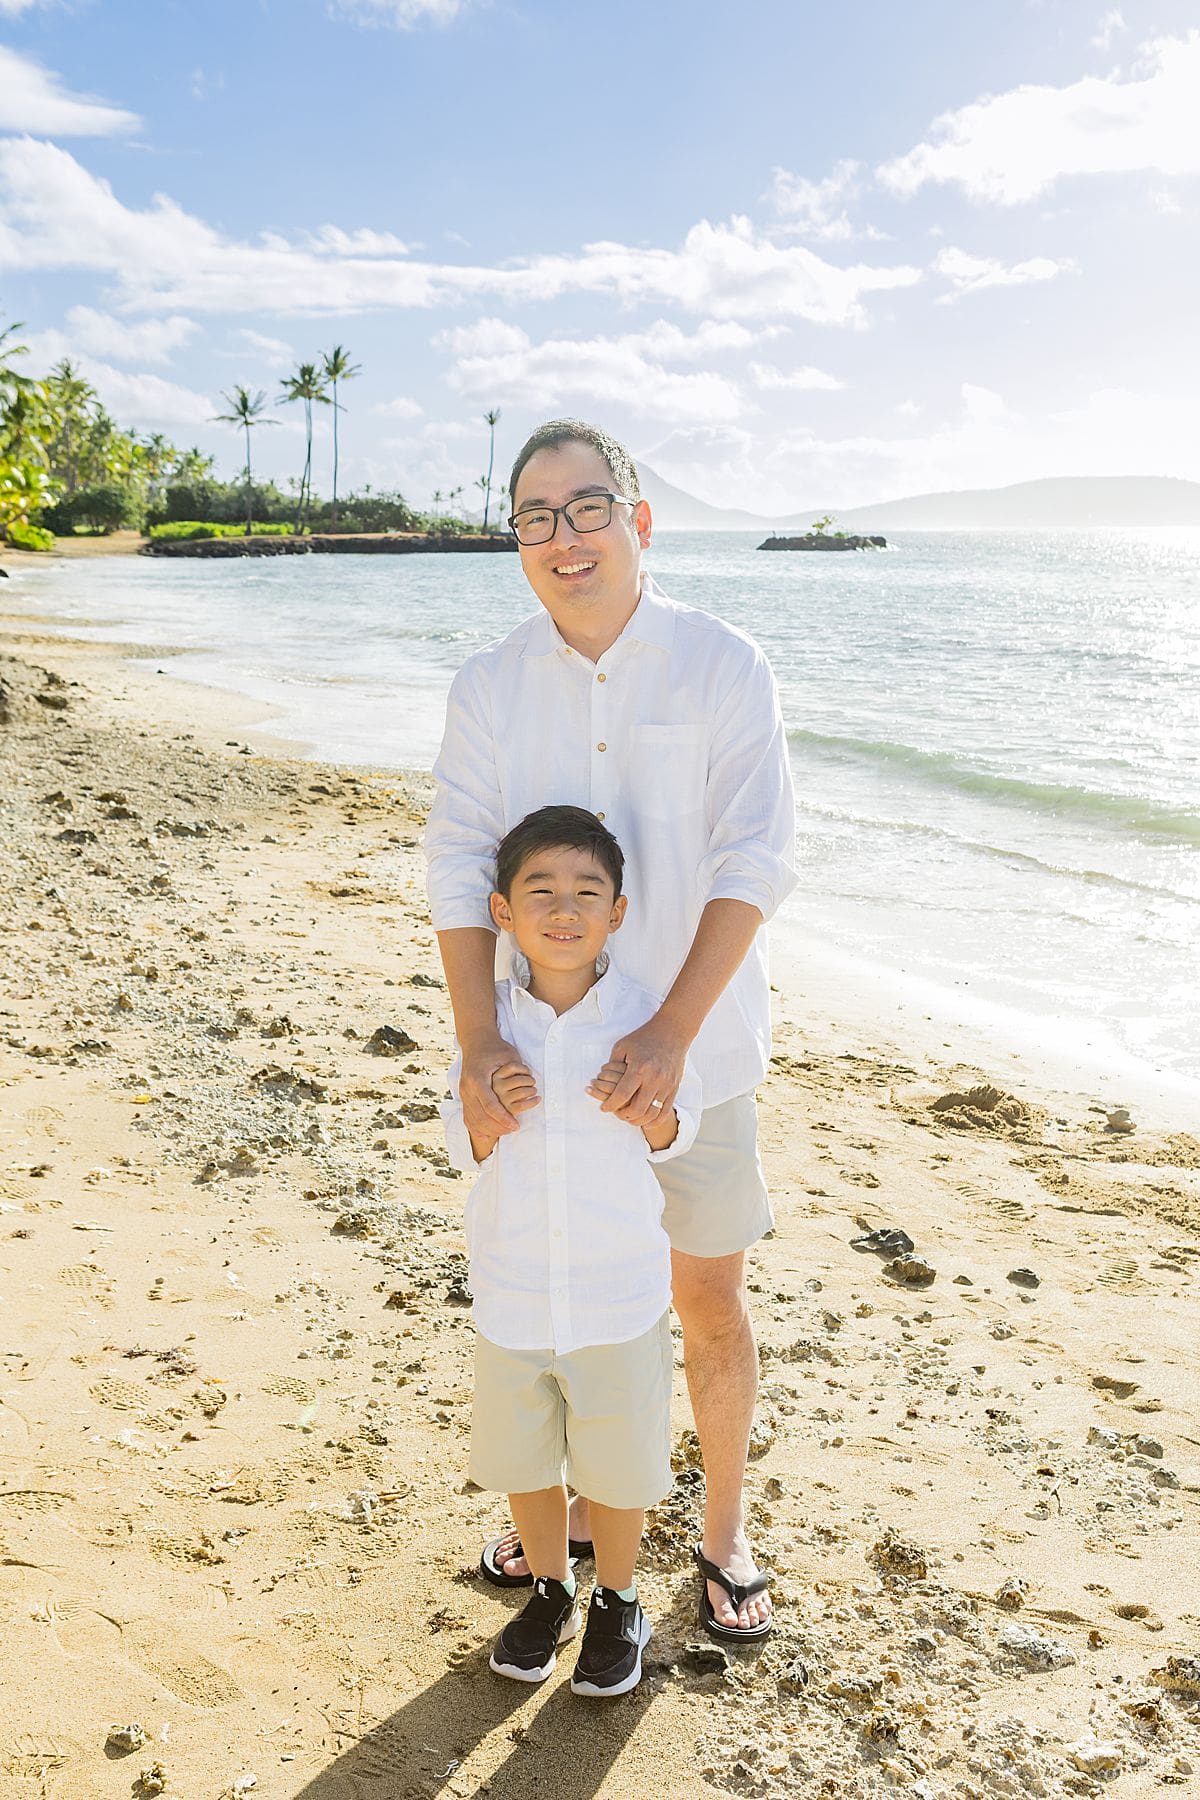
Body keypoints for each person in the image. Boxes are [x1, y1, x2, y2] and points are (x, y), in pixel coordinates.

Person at [426, 418, 796, 1640]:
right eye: (535, 517)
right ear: (517, 544)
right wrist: (482, 1043)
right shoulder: (489, 684)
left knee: (703, 1299)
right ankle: (574, 1524)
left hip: (705, 1048)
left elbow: (757, 859)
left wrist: (674, 1033)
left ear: (638, 521)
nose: (563, 537)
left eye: (587, 509)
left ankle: (725, 1529)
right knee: (558, 1285)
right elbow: (457, 867)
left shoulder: (721, 662)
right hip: (540, 1058)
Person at [441, 805, 702, 1695]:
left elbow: (676, 1129)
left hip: (616, 1293)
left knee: (616, 1462)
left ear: (617, 914)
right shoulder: (488, 1031)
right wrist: (488, 1109)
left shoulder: (644, 1024)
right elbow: (458, 1140)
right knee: (526, 1458)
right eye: (540, 890)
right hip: (514, 1289)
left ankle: (618, 1598)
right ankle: (549, 1590)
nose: (565, 907)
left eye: (587, 891)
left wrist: (654, 1107)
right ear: (503, 912)